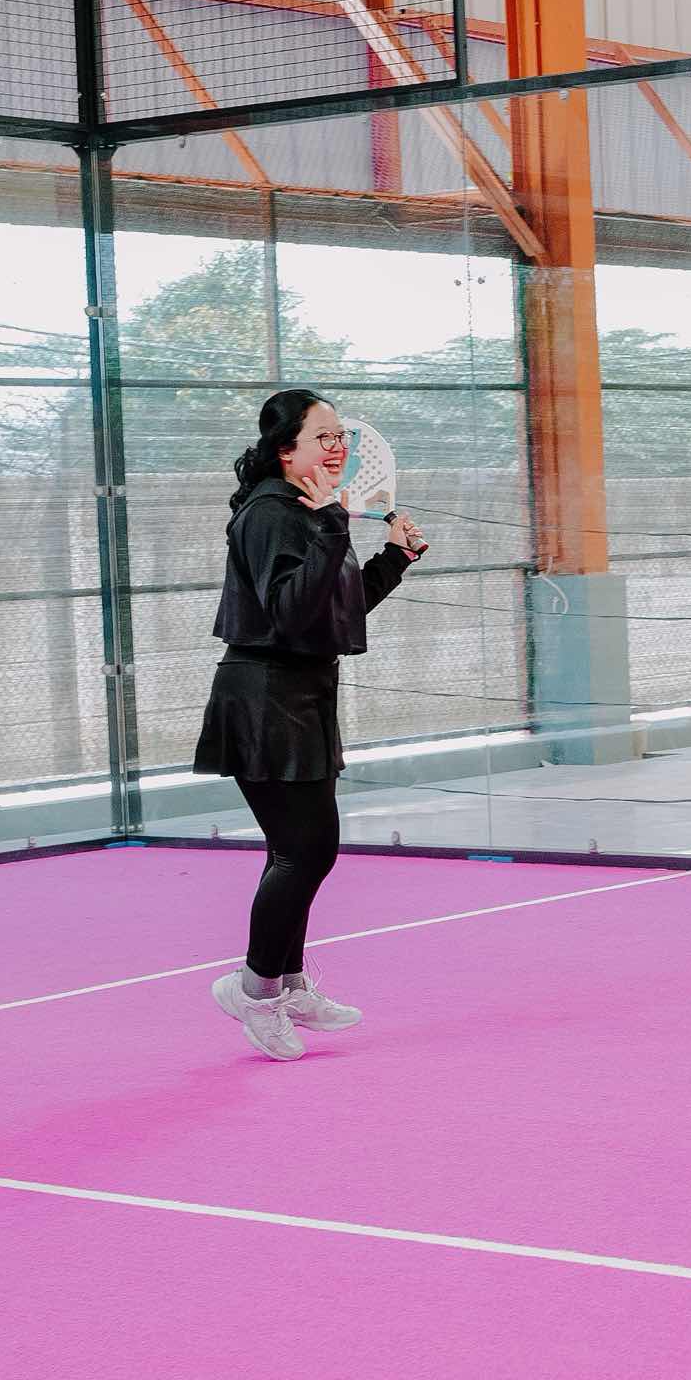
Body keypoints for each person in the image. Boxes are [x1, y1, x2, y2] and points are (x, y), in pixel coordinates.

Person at [194, 388, 427, 1060]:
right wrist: (332, 525)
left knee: (300, 851)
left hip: (300, 695)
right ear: (284, 450)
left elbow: (332, 611)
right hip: (264, 697)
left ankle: (286, 984)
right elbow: (290, 612)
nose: (337, 447)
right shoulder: (272, 513)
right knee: (305, 852)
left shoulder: (308, 511)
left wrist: (392, 559)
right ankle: (255, 990)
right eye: (322, 436)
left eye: (340, 436)